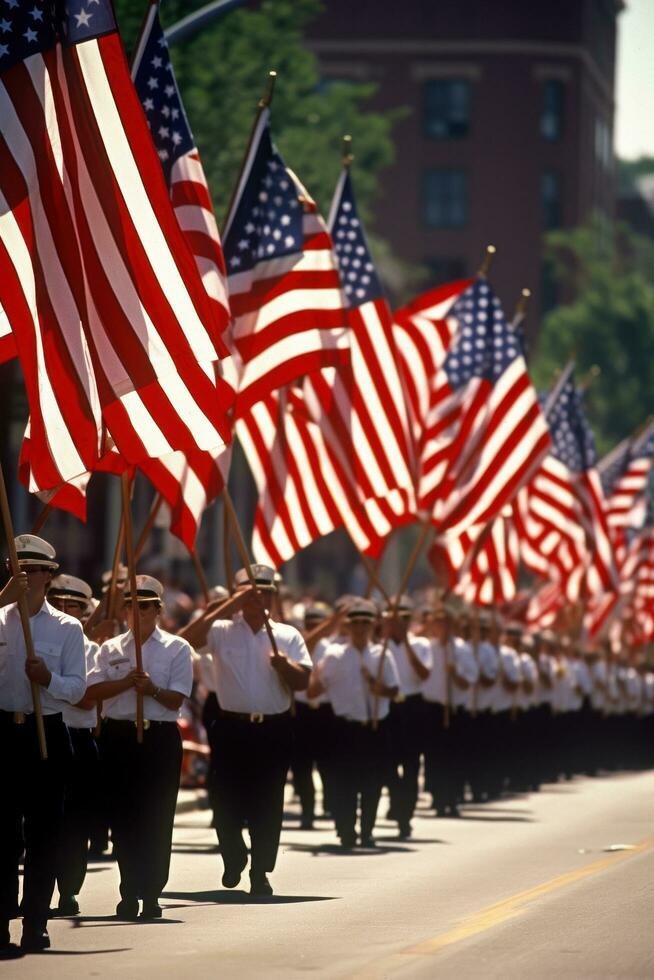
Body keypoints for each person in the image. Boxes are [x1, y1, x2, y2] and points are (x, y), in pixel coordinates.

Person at [182, 564, 311, 897]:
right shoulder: (222, 630)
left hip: (273, 729)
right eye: (252, 591)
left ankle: (260, 870)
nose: (260, 597)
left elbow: (304, 680)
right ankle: (234, 854)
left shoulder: (286, 634)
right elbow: (185, 643)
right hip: (231, 728)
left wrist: (287, 667)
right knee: (224, 798)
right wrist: (227, 605)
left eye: (266, 591)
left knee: (267, 802)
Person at [86, 575, 193, 920]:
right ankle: (129, 888)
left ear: (158, 610)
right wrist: (123, 684)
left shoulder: (176, 648)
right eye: (131, 606)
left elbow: (177, 697)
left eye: (145, 606)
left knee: (157, 818)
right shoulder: (110, 648)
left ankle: (151, 892)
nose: (138, 612)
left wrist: (152, 691)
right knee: (124, 818)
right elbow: (92, 693)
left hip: (159, 736)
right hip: (119, 737)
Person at [0, 535, 86, 957]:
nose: (24, 576)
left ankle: (36, 919)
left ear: (49, 576)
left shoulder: (68, 628)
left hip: (45, 731)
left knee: (44, 834)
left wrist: (48, 678)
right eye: (17, 568)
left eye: (33, 569)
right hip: (2, 731)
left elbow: (77, 690)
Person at [308, 598, 399, 848]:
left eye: (365, 623)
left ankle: (367, 829)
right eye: (355, 622)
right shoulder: (335, 656)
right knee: (344, 782)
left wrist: (376, 686)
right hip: (345, 729)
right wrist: (315, 675)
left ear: (372, 626)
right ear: (348, 625)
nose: (360, 627)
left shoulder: (382, 654)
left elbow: (394, 691)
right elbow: (314, 692)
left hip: (374, 727)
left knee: (372, 783)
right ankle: (347, 829)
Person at [47, 574, 100, 916]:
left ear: (84, 611)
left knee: (75, 822)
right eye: (59, 603)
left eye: (74, 606)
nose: (65, 609)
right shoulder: (30, 638)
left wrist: (48, 680)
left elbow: (83, 699)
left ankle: (68, 890)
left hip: (77, 739)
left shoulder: (92, 650)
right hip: (46, 732)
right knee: (43, 821)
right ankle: (36, 892)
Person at [383, 595, 432, 839]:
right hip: (390, 706)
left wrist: (407, 643)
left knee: (411, 765)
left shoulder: (421, 644)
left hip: (412, 706)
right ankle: (397, 801)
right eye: (395, 618)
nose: (399, 623)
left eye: (404, 618)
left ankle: (406, 815)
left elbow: (424, 673)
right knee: (389, 763)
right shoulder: (380, 646)